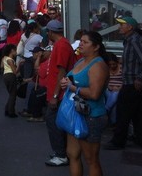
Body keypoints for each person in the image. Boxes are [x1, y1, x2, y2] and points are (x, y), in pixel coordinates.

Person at [60, 31, 109, 176]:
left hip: (91, 116)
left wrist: (73, 87)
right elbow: (71, 79)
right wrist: (65, 83)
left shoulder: (98, 65)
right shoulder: (81, 61)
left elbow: (94, 94)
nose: (81, 44)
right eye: (80, 41)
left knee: (91, 159)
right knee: (72, 154)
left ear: (96, 47)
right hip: (75, 114)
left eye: (85, 42)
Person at [105, 16, 142, 150]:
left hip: (132, 83)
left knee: (123, 112)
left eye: (122, 25)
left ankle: (118, 141)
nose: (119, 27)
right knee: (140, 113)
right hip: (134, 83)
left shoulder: (134, 41)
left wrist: (140, 78)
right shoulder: (131, 40)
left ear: (130, 27)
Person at [44, 20, 76, 167]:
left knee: (53, 122)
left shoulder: (61, 45)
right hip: (58, 92)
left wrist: (55, 96)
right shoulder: (61, 44)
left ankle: (61, 154)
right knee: (56, 123)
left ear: (50, 32)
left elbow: (61, 71)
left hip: (60, 94)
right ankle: (62, 152)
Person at [2, 44, 20, 118]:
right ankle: (11, 112)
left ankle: (7, 109)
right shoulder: (10, 60)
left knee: (11, 94)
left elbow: (1, 66)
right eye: (15, 50)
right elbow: (15, 71)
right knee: (13, 94)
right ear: (12, 51)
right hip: (11, 76)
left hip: (5, 75)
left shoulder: (4, 58)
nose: (16, 52)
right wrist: (19, 65)